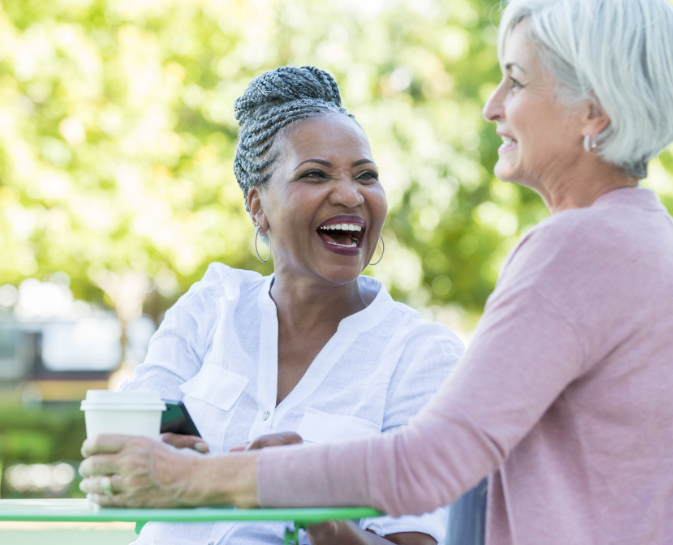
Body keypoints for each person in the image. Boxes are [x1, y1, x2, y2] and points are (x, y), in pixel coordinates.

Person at [80, 0, 673, 543]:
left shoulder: (576, 248)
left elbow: (427, 464)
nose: (492, 105)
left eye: (515, 81)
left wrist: (197, 478)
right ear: (256, 204)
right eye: (315, 175)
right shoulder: (645, 237)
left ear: (592, 109)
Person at [94, 66, 463, 545]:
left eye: (366, 176)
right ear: (257, 206)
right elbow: (131, 446)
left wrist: (313, 506)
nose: (351, 195)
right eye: (315, 174)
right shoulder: (212, 305)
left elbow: (416, 538)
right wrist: (148, 459)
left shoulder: (420, 354)